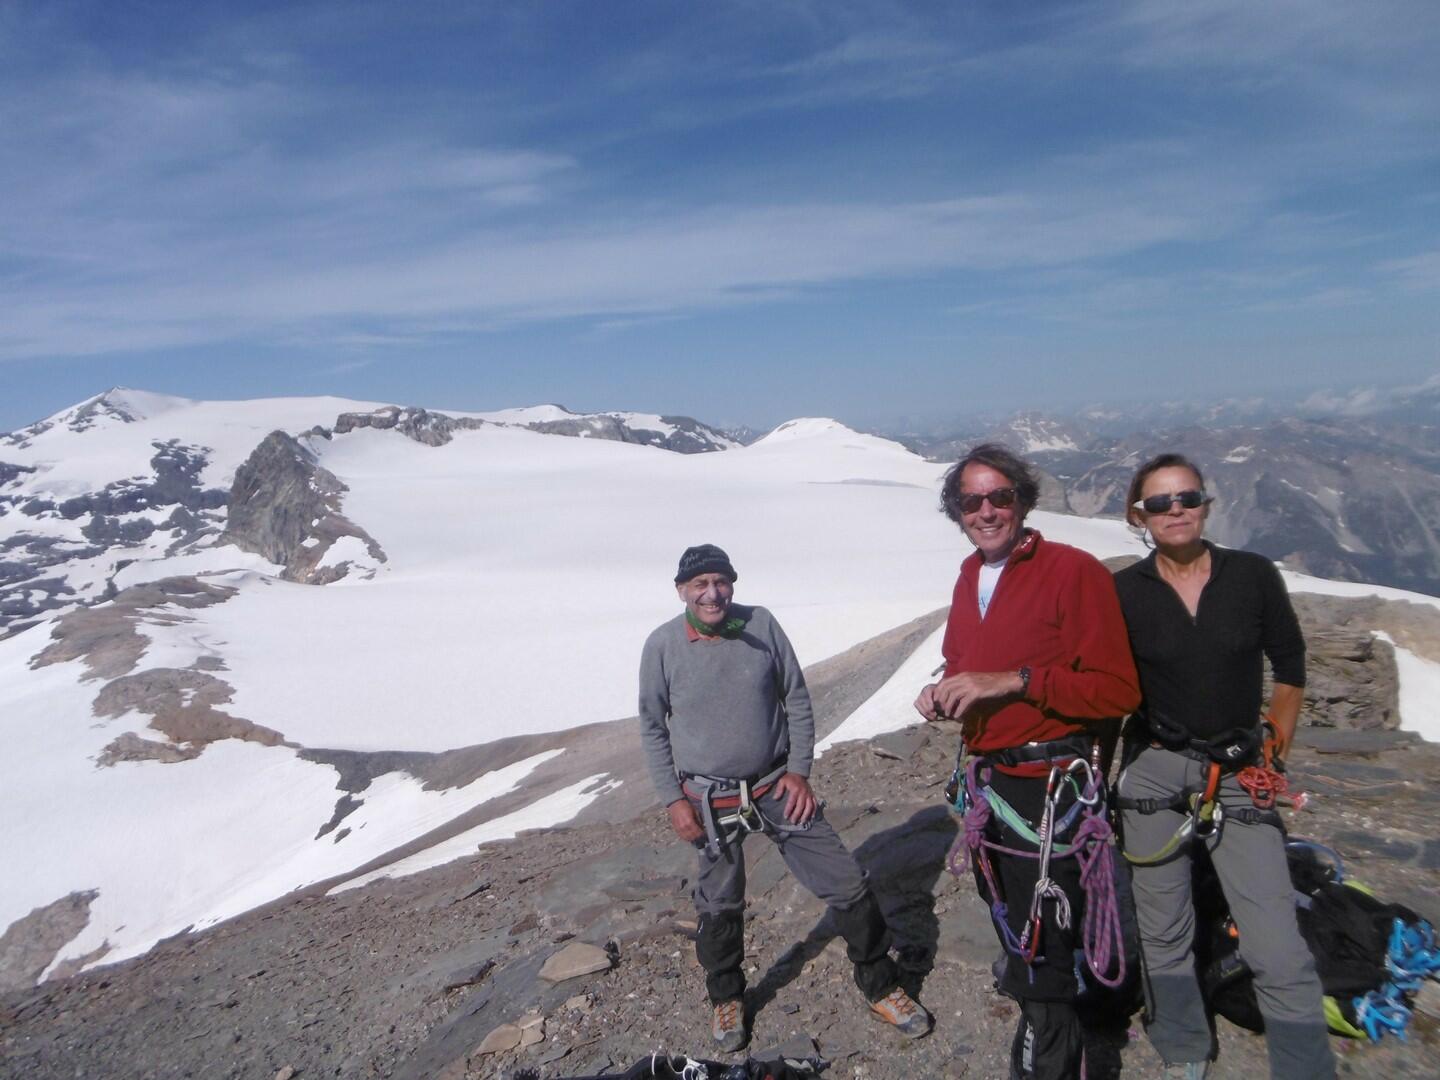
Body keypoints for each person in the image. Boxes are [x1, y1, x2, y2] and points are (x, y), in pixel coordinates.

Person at [639, 543, 932, 1053]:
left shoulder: (762, 625)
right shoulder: (663, 645)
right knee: (719, 900)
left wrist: (799, 771)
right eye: (700, 584)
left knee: (845, 881)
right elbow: (652, 726)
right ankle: (727, 997)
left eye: (721, 581)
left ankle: (880, 983)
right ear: (681, 590)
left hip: (776, 783)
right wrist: (673, 800)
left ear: (732, 584)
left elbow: (795, 697)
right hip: (710, 798)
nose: (712, 593)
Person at [913, 444, 1141, 1080]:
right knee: (1015, 912)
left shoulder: (1074, 572)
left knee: (1040, 929)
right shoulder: (970, 575)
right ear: (958, 512)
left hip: (1050, 786)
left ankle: (1049, 1050)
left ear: (1023, 501)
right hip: (994, 782)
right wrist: (944, 690)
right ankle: (1055, 1009)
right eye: (971, 501)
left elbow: (1116, 690)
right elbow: (964, 661)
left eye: (1000, 496)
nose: (986, 511)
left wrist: (1015, 680)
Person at [1113, 454, 1336, 1080]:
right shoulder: (1122, 592)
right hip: (1154, 769)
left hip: (1240, 769)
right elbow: (1107, 687)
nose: (1176, 510)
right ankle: (1182, 1041)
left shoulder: (1252, 575)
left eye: (1188, 497)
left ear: (1206, 504)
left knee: (1276, 942)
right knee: (1163, 926)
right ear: (1139, 516)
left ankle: (1304, 1066)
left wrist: (1274, 751)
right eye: (1160, 503)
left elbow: (1290, 668)